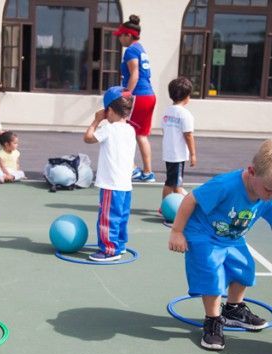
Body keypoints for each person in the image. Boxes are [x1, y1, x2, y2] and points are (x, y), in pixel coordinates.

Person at [168, 139, 272, 351]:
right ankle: (212, 320)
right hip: (203, 233)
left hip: (231, 237)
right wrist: (177, 231)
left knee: (245, 268)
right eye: (269, 190)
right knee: (212, 272)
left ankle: (233, 309)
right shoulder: (226, 185)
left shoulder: (270, 198)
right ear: (252, 172)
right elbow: (190, 199)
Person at [83, 86, 136, 262]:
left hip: (110, 184)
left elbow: (88, 138)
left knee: (107, 218)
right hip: (125, 185)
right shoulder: (130, 130)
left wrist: (96, 121)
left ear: (110, 111)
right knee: (120, 218)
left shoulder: (109, 129)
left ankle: (109, 250)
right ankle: (118, 245)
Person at [114, 14, 156, 182]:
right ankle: (147, 173)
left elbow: (135, 74)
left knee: (125, 132)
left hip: (139, 96)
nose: (119, 39)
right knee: (141, 135)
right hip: (149, 96)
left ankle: (132, 169)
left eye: (121, 36)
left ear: (128, 35)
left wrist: (126, 94)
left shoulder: (131, 50)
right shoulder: (140, 48)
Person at [161, 77, 196, 201]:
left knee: (173, 182)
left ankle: (172, 203)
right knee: (173, 183)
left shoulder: (167, 111)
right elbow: (188, 135)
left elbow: (164, 130)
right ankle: (167, 206)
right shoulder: (185, 114)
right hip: (178, 155)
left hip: (169, 152)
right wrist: (193, 154)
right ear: (187, 96)